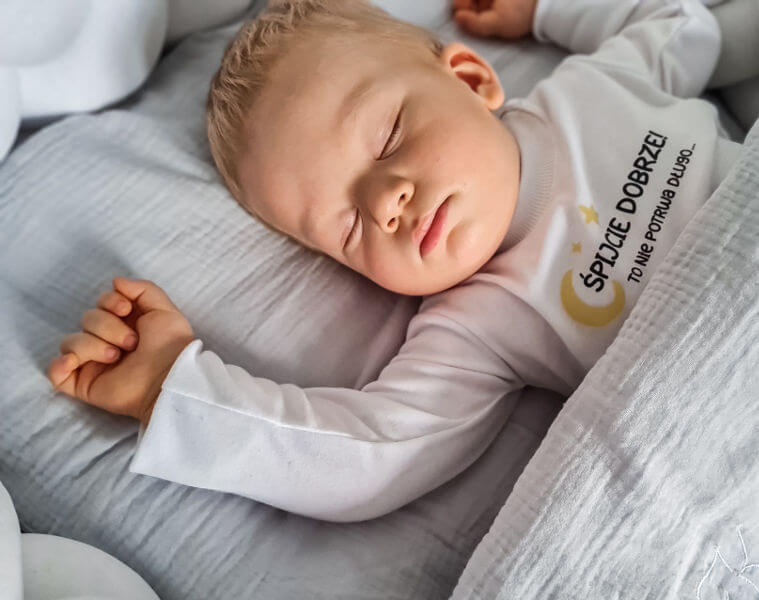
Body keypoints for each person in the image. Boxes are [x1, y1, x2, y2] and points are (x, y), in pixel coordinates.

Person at [46, 0, 757, 522]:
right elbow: (374, 456)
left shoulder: (592, 91)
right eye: (348, 227)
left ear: (471, 79)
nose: (386, 201)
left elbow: (684, 22)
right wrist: (172, 390)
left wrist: (545, 11)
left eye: (388, 138)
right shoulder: (474, 325)